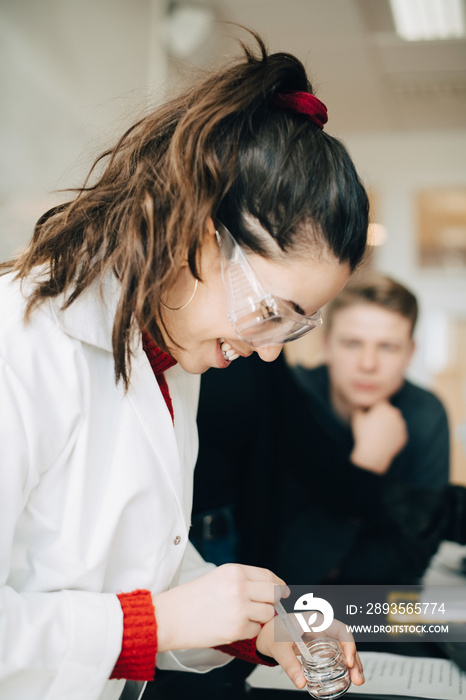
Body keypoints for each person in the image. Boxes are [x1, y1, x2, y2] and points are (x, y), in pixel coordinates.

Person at [0, 33, 368, 700]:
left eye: (299, 325)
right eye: (272, 311)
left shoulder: (169, 360)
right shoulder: (19, 344)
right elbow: (134, 613)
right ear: (200, 236)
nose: (270, 350)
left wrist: (256, 628)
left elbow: (129, 562)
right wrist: (153, 623)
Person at [276, 273, 451, 586]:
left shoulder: (426, 414)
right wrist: (367, 465)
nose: (368, 364)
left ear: (409, 354)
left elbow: (412, 561)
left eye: (387, 347)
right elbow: (288, 569)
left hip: (384, 609)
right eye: (353, 343)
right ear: (326, 344)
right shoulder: (291, 398)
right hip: (294, 607)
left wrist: (334, 571)